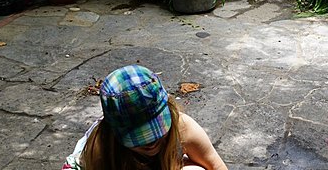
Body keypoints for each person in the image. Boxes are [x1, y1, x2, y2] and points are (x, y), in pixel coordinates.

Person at [62, 64, 228, 170]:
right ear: (114, 131)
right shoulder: (100, 147)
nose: (150, 143)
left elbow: (217, 166)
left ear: (168, 110)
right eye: (139, 137)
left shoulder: (184, 127)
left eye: (155, 131)